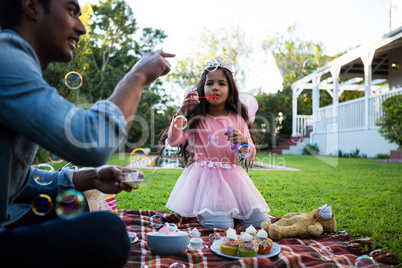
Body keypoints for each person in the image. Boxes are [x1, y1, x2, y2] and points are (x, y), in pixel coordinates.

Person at [0, 0, 174, 267]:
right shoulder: (6, 58)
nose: (81, 28)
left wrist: (90, 177)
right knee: (107, 233)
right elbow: (91, 142)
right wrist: (137, 76)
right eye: (71, 11)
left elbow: (14, 180)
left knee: (74, 205)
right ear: (32, 6)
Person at [159, 57, 270, 230]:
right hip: (207, 183)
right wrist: (181, 112)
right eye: (210, 83)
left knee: (261, 223)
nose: (215, 87)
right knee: (220, 226)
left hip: (235, 181)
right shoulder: (196, 118)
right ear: (202, 88)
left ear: (230, 89)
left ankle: (232, 213)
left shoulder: (238, 118)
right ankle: (211, 214)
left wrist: (244, 143)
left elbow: (249, 153)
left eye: (222, 84)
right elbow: (173, 141)